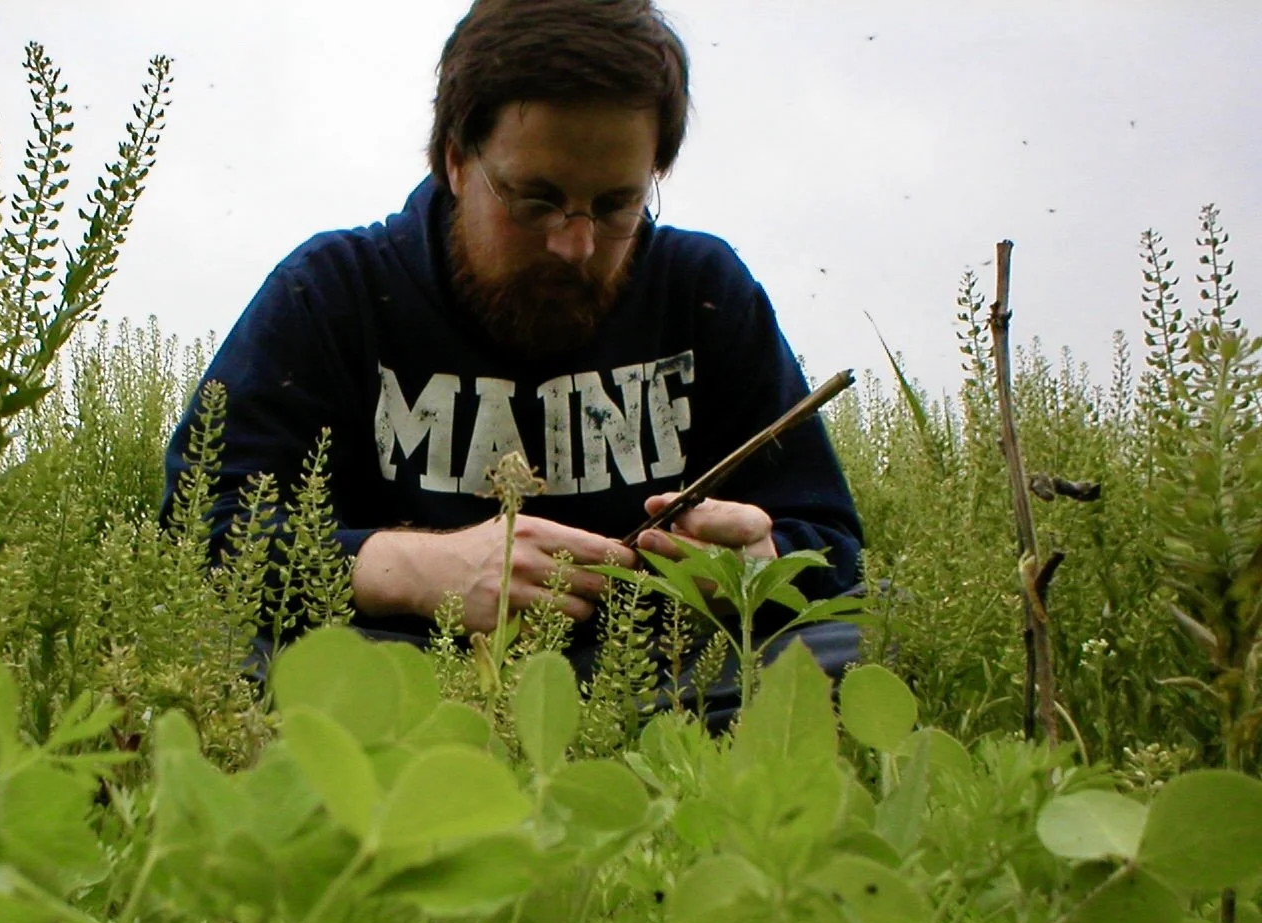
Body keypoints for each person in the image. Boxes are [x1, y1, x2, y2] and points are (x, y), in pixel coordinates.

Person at [160, 0, 864, 721]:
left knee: (860, 639)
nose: (576, 244)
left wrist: (757, 564)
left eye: (616, 206)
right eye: (535, 200)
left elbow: (835, 546)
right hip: (405, 669)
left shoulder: (703, 291)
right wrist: (417, 570)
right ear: (455, 161)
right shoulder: (333, 291)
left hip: (653, 676)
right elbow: (200, 533)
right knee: (220, 657)